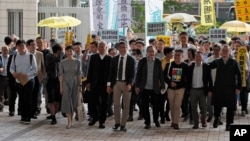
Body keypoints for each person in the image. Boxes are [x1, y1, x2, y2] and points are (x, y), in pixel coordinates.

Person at [209, 45, 241, 131]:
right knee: (217, 105)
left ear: (229, 52)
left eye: (226, 51)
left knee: (230, 107)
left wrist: (238, 87)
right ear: (221, 52)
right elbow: (208, 66)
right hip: (219, 87)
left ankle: (229, 124)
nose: (225, 52)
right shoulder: (217, 62)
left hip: (230, 88)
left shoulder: (234, 62)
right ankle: (217, 118)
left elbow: (239, 75)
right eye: (223, 51)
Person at [107, 41, 135, 132]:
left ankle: (123, 124)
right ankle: (117, 123)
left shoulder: (131, 59)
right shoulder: (114, 59)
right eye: (121, 47)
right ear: (118, 49)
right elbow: (110, 73)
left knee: (126, 105)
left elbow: (133, 74)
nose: (122, 49)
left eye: (124, 47)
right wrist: (109, 85)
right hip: (116, 84)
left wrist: (130, 84)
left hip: (127, 84)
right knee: (116, 104)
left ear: (127, 48)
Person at [135, 46, 165, 129]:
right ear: (146, 52)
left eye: (152, 51)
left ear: (155, 52)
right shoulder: (142, 61)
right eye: (149, 51)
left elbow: (161, 75)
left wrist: (163, 86)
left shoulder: (158, 61)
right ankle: (147, 122)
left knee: (156, 106)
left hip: (155, 88)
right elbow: (138, 75)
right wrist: (137, 86)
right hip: (144, 88)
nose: (151, 53)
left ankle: (156, 120)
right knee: (144, 106)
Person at [10, 39, 37, 123]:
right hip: (19, 81)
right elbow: (11, 68)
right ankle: (23, 116)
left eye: (22, 45)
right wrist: (13, 73)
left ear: (26, 46)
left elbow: (35, 69)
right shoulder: (15, 56)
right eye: (19, 46)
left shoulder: (31, 56)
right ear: (16, 47)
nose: (21, 47)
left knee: (27, 98)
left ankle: (28, 116)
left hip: (29, 80)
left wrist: (28, 74)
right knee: (21, 98)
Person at [86, 41, 112, 129]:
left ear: (106, 48)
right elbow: (90, 70)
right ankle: (94, 117)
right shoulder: (93, 57)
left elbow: (111, 74)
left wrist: (109, 85)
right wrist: (88, 82)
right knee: (93, 102)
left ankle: (102, 121)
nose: (101, 48)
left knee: (104, 103)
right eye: (100, 46)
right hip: (94, 84)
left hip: (105, 85)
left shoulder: (110, 59)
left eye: (103, 47)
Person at [163, 49, 188, 130]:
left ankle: (176, 122)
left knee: (177, 105)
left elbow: (186, 79)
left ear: (182, 56)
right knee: (172, 105)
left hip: (180, 89)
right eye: (175, 55)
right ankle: (173, 121)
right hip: (171, 89)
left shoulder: (185, 66)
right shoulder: (169, 65)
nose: (177, 57)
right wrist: (170, 83)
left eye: (179, 55)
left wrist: (179, 84)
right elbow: (165, 76)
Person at [187, 51, 213, 129]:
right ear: (195, 58)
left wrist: (210, 90)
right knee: (193, 107)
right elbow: (188, 79)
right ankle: (196, 123)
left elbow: (210, 80)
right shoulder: (191, 67)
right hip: (193, 90)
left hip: (202, 90)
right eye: (197, 57)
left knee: (203, 107)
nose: (198, 58)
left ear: (202, 58)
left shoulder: (206, 67)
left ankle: (203, 121)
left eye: (200, 57)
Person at [59, 45, 82, 129]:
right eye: (68, 51)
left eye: (71, 51)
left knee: (74, 101)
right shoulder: (62, 62)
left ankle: (72, 121)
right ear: (65, 52)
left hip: (75, 82)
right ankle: (69, 121)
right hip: (66, 82)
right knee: (67, 100)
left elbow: (79, 74)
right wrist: (61, 87)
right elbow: (61, 75)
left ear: (73, 51)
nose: (70, 52)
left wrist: (80, 85)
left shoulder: (78, 62)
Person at [26, 39, 46, 119]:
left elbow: (43, 66)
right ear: (28, 46)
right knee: (28, 95)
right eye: (32, 44)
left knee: (36, 95)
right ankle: (27, 111)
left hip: (37, 77)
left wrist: (43, 76)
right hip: (28, 78)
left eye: (35, 44)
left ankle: (34, 112)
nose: (34, 46)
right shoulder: (25, 55)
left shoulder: (40, 54)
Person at [46, 44, 63, 125]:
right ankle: (53, 117)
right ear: (58, 50)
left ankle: (54, 114)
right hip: (50, 80)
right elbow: (56, 59)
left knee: (57, 100)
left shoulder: (60, 58)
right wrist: (60, 55)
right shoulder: (49, 56)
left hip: (58, 81)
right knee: (51, 100)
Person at [0, 46, 10, 112]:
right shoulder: (0, 57)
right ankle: (1, 107)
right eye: (4, 50)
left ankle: (11, 109)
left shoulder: (11, 57)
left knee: (10, 93)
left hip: (9, 77)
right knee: (1, 93)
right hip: (1, 77)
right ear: (2, 50)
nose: (5, 51)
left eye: (6, 50)